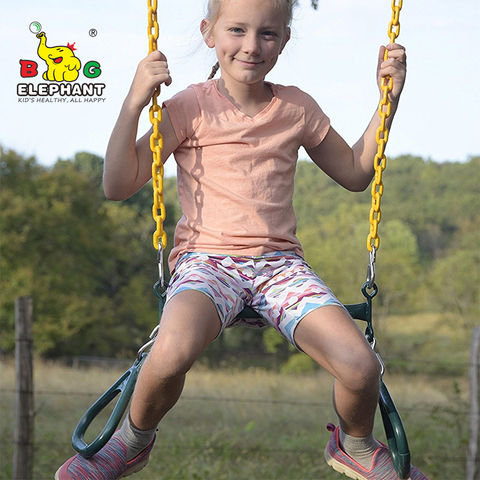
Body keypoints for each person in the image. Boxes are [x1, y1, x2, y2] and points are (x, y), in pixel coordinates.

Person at [56, 1, 428, 479]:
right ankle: (130, 442)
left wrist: (388, 102)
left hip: (280, 267)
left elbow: (356, 173)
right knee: (169, 354)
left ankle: (355, 445)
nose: (252, 45)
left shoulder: (297, 107)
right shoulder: (189, 106)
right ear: (209, 33)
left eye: (268, 34)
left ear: (284, 40)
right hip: (206, 262)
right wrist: (134, 101)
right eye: (237, 30)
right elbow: (117, 184)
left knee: (361, 365)